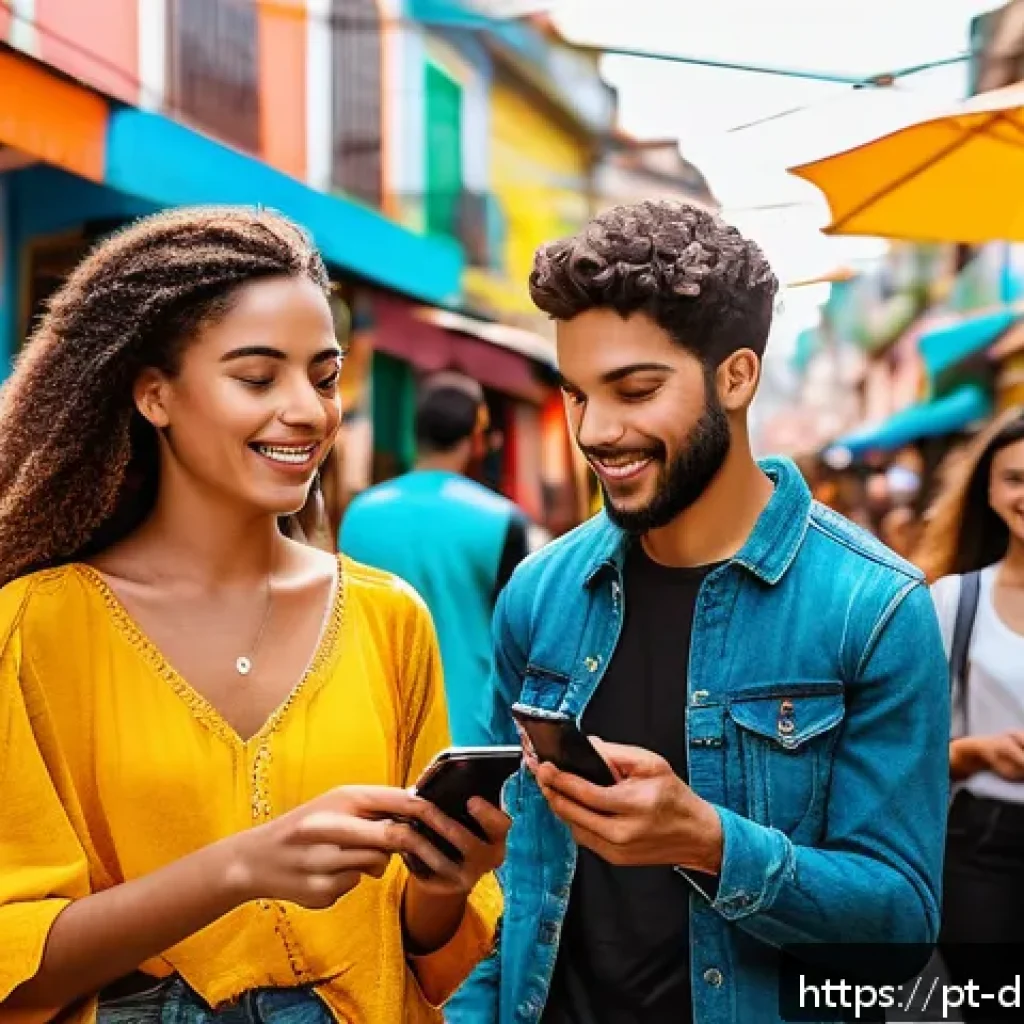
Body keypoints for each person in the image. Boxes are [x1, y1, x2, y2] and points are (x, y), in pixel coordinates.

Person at [0, 207, 508, 1024]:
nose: (307, 410)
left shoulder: (388, 619)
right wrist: (237, 869)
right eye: (257, 376)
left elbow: (425, 958)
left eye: (325, 375)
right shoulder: (34, 629)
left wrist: (443, 884)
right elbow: (16, 963)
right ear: (155, 395)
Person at [447, 200, 950, 1024]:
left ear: (737, 376)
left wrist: (708, 842)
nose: (597, 431)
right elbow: (519, 894)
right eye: (576, 395)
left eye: (636, 389)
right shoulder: (540, 593)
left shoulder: (875, 607)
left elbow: (899, 932)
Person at [341, 372, 545, 745]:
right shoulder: (501, 519)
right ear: (477, 437)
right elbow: (521, 637)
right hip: (473, 734)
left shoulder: (358, 514)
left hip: (375, 728)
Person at [916, 408, 1024, 1003]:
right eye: (1015, 478)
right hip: (984, 844)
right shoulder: (955, 600)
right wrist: (978, 753)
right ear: (988, 488)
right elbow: (908, 752)